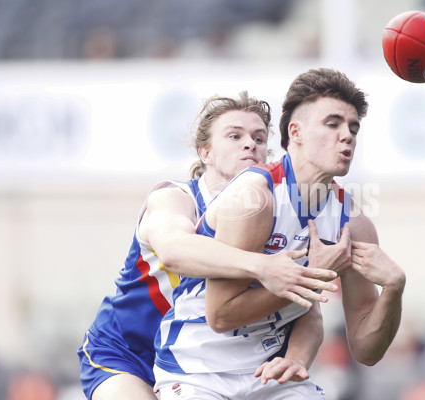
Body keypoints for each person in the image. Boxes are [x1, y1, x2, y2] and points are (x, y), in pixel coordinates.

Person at [153, 68, 406, 399]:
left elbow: (366, 351)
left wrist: (394, 290)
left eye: (353, 127)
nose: (347, 136)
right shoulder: (255, 196)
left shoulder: (354, 224)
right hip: (199, 371)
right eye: (332, 124)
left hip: (272, 375)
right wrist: (311, 276)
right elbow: (220, 315)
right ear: (295, 132)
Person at [78, 92, 341, 400]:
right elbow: (175, 252)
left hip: (202, 364)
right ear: (206, 152)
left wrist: (296, 357)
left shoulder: (272, 210)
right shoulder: (175, 198)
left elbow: (302, 306)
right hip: (128, 351)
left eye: (259, 138)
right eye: (234, 135)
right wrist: (262, 266)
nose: (250, 144)